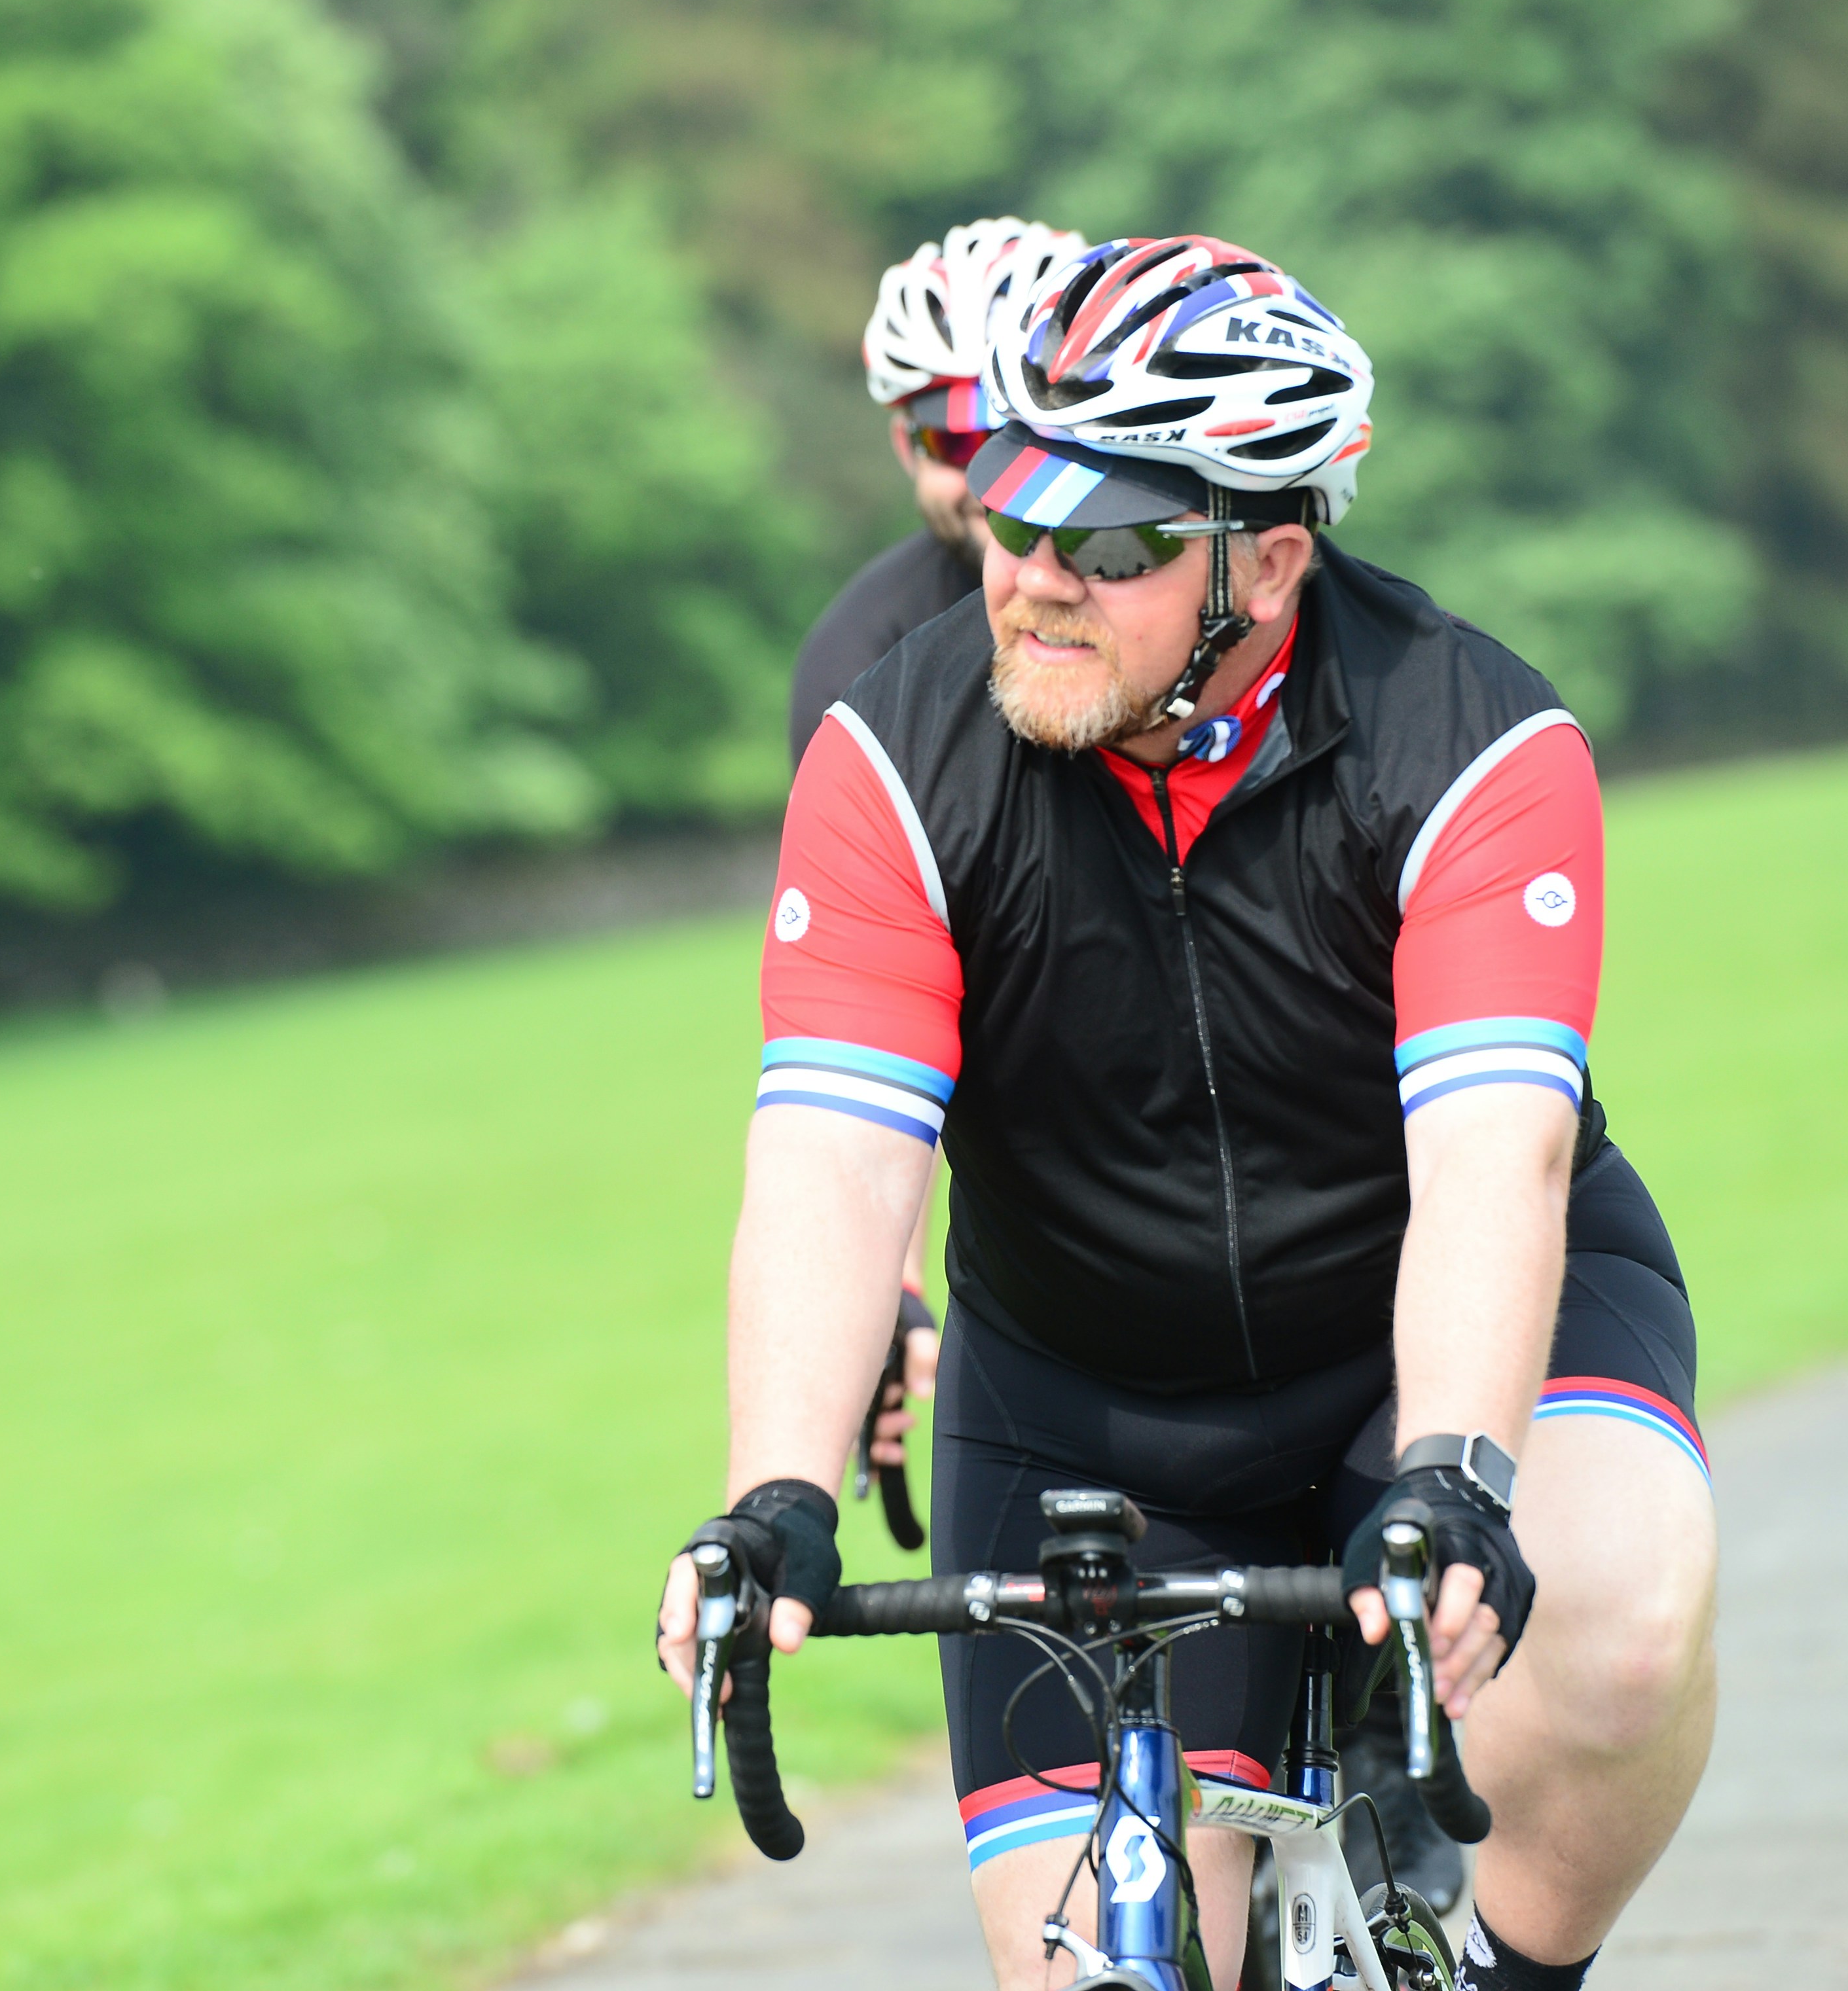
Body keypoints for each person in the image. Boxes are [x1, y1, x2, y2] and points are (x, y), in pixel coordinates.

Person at [661, 236, 1716, 1991]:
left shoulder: (1471, 747)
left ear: (1272, 560)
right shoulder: (889, 761)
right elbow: (837, 1159)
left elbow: (1487, 1159)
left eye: (1119, 544)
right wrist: (774, 1493)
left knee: (1611, 1634)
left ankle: (1522, 1976)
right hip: (1090, 1404)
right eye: (1011, 519)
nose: (1039, 583)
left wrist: (1457, 1473)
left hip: (1438, 1337)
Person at [793, 219, 1091, 1491]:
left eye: (1012, 420)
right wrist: (881, 1295)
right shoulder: (860, 670)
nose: (979, 473)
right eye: (939, 437)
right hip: (1044, 1193)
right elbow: (871, 1022)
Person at [787, 219, 1092, 769]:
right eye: (956, 441)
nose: (991, 476)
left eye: (1020, 436)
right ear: (907, 448)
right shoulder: (858, 661)